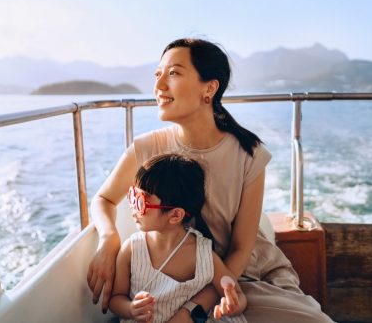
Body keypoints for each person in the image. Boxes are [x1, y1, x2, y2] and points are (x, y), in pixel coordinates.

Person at [88, 38, 334, 322]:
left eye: (174, 73)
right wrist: (108, 240)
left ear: (209, 88)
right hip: (172, 284)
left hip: (241, 278)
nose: (159, 86)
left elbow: (242, 248)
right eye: (158, 74)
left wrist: (194, 308)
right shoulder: (146, 149)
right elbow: (103, 199)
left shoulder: (249, 154)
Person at [109, 153, 246, 322]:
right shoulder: (131, 249)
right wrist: (130, 309)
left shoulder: (203, 255)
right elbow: (115, 298)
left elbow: (238, 295)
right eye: (132, 196)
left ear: (175, 215)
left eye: (141, 202)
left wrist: (231, 305)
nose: (133, 207)